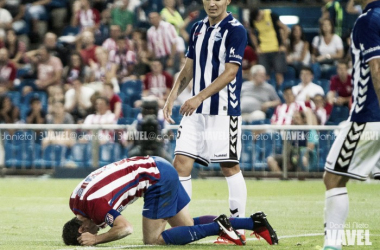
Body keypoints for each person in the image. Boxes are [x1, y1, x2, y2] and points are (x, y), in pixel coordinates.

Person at [163, 0, 249, 243]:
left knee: (229, 167)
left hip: (222, 110)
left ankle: (238, 230)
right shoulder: (198, 28)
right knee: (180, 164)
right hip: (195, 110)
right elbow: (188, 67)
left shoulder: (235, 29)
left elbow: (231, 72)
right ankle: (184, 227)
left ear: (227, 1)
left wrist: (198, 97)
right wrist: (171, 97)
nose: (213, 3)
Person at [62, 156, 278, 246]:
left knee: (153, 240)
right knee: (187, 228)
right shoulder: (75, 201)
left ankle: (218, 227)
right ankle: (253, 222)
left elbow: (125, 229)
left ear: (82, 229)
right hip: (157, 166)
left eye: (92, 232)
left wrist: (97, 241)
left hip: (156, 179)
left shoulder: (94, 207)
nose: (97, 231)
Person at [322, 1, 380, 250]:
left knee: (333, 178)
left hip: (367, 118)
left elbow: (376, 69)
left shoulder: (367, 20)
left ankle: (332, 246)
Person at [249, 7, 289, 87]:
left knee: (279, 74)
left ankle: (280, 90)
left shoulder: (271, 15)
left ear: (260, 14)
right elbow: (252, 33)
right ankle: (266, 91)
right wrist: (257, 47)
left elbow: (285, 29)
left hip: (277, 50)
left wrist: (283, 44)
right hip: (263, 50)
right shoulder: (253, 20)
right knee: (264, 74)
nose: (257, 21)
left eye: (258, 19)